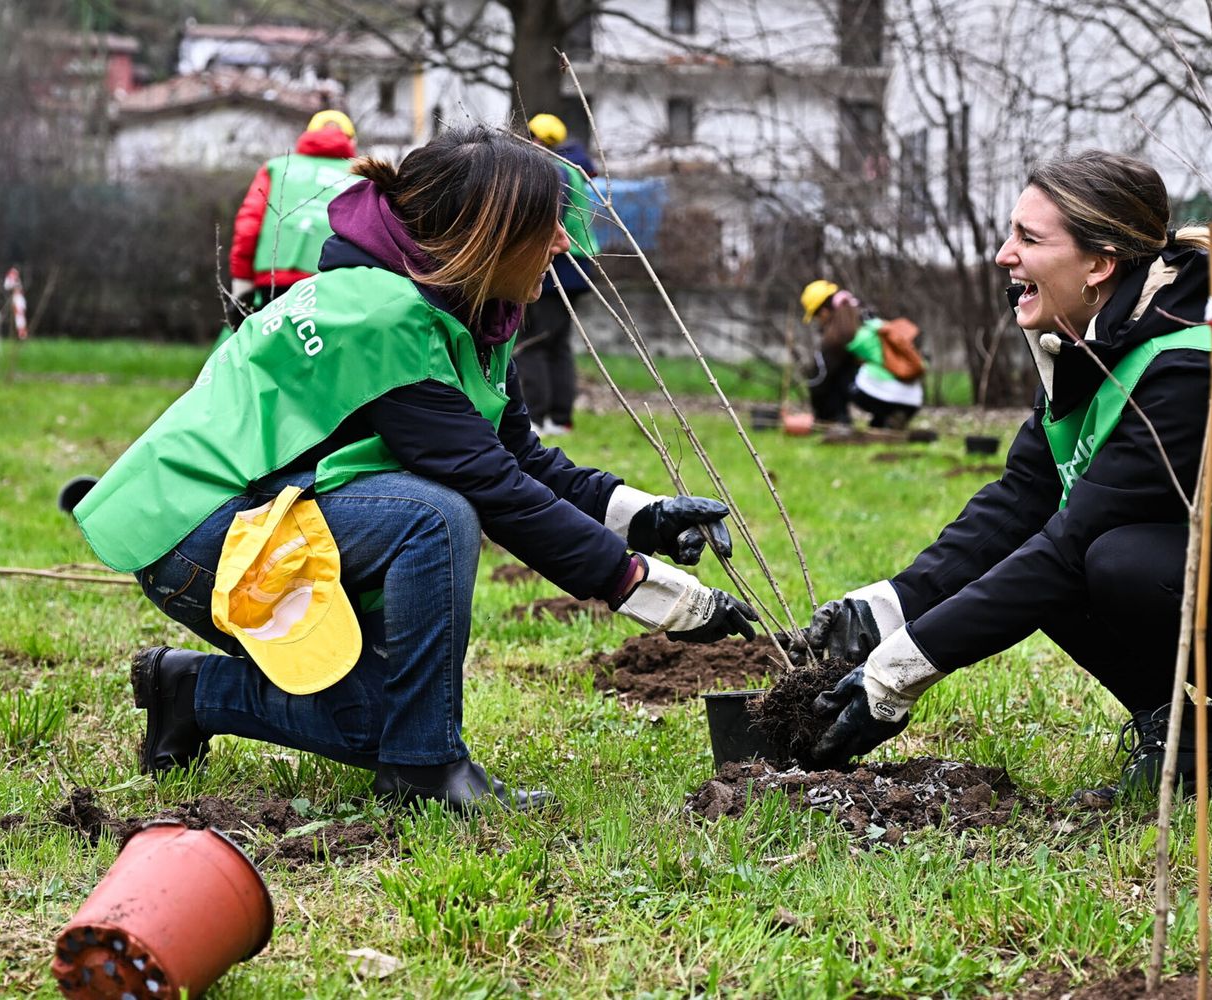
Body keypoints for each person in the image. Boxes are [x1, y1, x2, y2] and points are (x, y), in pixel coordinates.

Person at [74, 125, 757, 814]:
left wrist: (644, 517)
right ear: (489, 232)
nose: (562, 243)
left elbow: (520, 456)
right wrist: (651, 592)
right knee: (436, 516)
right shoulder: (383, 320)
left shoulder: (466, 312)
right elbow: (492, 486)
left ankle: (190, 691)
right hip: (195, 537)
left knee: (379, 721)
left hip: (268, 524)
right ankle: (426, 773)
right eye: (546, 225)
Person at [791, 151, 1212, 811]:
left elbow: (1070, 544)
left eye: (1029, 239)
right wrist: (887, 607)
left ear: (1099, 263)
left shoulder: (1184, 367)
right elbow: (1019, 504)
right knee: (1056, 551)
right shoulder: (1085, 347)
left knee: (1111, 559)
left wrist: (899, 672)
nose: (1005, 255)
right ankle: (1180, 742)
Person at [227, 109, 359, 321]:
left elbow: (248, 228)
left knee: (274, 347)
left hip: (274, 278)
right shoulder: (361, 176)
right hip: (335, 282)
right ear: (352, 141)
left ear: (308, 134)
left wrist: (242, 282)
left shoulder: (277, 168)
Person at [517, 112, 601, 435]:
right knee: (557, 343)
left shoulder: (550, 169)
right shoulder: (570, 167)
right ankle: (559, 417)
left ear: (535, 138)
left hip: (557, 264)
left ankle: (536, 418)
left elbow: (545, 218)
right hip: (578, 265)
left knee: (534, 340)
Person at [799, 280, 924, 429]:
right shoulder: (867, 319)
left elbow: (820, 380)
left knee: (838, 374)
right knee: (862, 368)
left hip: (889, 396)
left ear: (824, 312)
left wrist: (819, 415)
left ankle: (837, 421)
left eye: (816, 317)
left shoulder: (841, 333)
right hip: (914, 397)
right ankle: (884, 420)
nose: (818, 322)